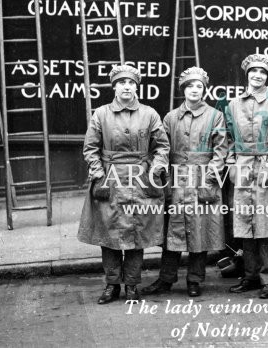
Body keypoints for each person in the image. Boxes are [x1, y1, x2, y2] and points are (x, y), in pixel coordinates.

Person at [78, 64, 170, 304]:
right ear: (115, 87)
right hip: (110, 180)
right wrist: (99, 174)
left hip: (141, 180)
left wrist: (156, 169)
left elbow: (162, 147)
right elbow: (90, 149)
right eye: (122, 83)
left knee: (136, 234)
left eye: (131, 83)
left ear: (136, 87)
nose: (126, 87)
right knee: (108, 235)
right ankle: (111, 285)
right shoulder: (101, 114)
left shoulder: (149, 114)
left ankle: (131, 285)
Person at [140, 67, 228, 297]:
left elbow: (221, 151)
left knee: (199, 232)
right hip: (176, 180)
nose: (194, 90)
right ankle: (166, 279)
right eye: (190, 86)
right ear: (183, 90)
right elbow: (161, 147)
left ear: (204, 90)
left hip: (202, 178)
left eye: (199, 86)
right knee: (173, 231)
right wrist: (163, 177)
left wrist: (210, 177)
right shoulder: (170, 117)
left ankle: (194, 280)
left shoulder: (214, 116)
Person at [225, 54, 268, 299]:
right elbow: (229, 137)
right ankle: (250, 276)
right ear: (247, 75)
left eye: (263, 73)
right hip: (244, 166)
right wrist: (231, 162)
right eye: (254, 72)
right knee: (245, 225)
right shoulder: (233, 105)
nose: (258, 76)